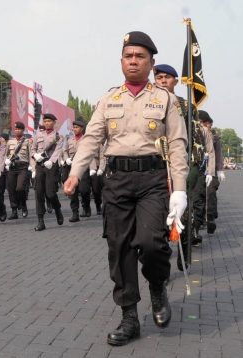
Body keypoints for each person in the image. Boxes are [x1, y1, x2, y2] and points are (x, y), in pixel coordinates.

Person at [64, 32, 189, 346]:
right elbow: (92, 138)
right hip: (117, 181)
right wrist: (75, 172)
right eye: (128, 56)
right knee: (119, 249)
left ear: (150, 63)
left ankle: (158, 288)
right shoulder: (109, 99)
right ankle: (129, 317)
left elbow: (177, 145)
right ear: (122, 61)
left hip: (152, 181)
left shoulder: (166, 99)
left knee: (153, 243)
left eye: (140, 56)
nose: (134, 61)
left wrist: (180, 191)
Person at [154, 64, 214, 272]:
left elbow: (196, 138)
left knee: (183, 211)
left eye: (168, 78)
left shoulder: (187, 106)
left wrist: (193, 165)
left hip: (182, 165)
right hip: (155, 166)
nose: (163, 80)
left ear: (175, 82)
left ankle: (184, 249)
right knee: (157, 213)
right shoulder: (149, 102)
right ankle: (162, 256)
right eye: (159, 77)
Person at [31, 113, 64, 231]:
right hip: (40, 165)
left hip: (51, 166)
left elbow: (58, 150)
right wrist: (35, 155)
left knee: (50, 193)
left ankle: (57, 208)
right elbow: (33, 148)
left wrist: (51, 161)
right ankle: (41, 221)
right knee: (38, 192)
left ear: (54, 122)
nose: (47, 123)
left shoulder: (58, 137)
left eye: (49, 121)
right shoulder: (38, 135)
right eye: (45, 121)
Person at [63, 120, 93, 222]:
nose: (75, 129)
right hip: (71, 168)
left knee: (84, 190)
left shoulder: (86, 140)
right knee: (73, 192)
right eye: (74, 127)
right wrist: (66, 158)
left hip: (83, 168)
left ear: (82, 129)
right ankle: (75, 213)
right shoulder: (70, 140)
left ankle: (86, 206)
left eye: (77, 127)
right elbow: (65, 151)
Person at [199, 111, 224, 234]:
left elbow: (218, 153)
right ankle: (200, 219)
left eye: (208, 123)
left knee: (211, 193)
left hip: (211, 168)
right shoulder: (193, 132)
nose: (207, 126)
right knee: (199, 196)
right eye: (205, 123)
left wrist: (220, 170)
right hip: (197, 169)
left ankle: (211, 219)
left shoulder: (214, 135)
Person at [5, 121, 34, 219]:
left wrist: (32, 167)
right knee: (11, 189)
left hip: (23, 167)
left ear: (23, 130)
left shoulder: (28, 142)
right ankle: (14, 210)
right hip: (12, 167)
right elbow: (5, 154)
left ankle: (23, 204)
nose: (17, 131)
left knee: (20, 188)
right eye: (16, 129)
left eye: (19, 129)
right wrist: (6, 162)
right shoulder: (10, 142)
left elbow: (31, 155)